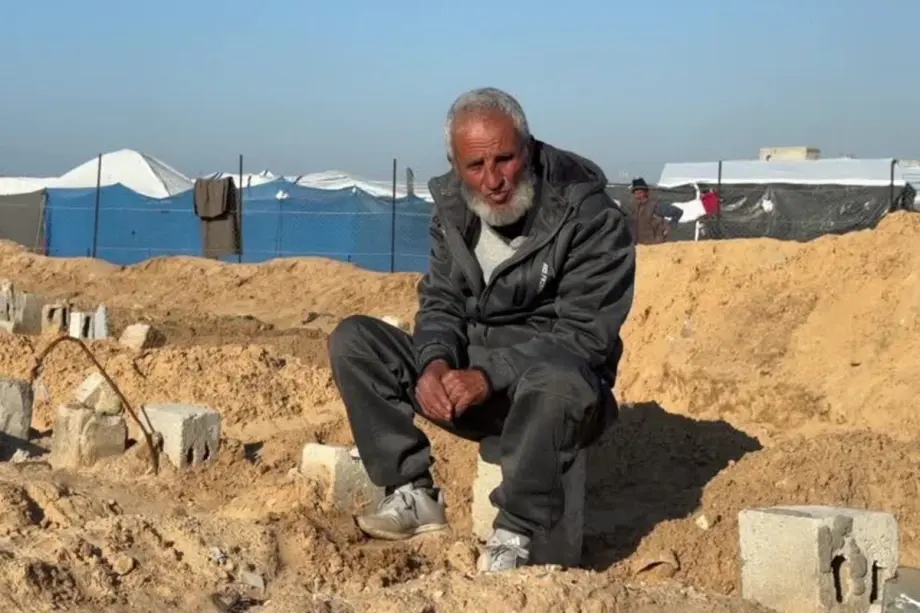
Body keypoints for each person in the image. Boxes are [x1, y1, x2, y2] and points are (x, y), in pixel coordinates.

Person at [327, 87, 636, 573]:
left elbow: (585, 337)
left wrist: (490, 374)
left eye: (505, 160)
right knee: (356, 341)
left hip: (557, 398)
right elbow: (443, 302)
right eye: (475, 167)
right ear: (456, 165)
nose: (493, 180)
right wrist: (433, 364)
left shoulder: (589, 215)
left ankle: (516, 535)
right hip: (473, 385)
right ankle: (412, 492)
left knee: (557, 378)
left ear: (527, 148)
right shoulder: (453, 210)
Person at [630, 177, 683, 243]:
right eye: (636, 193)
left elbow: (678, 212)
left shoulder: (656, 206)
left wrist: (670, 227)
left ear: (646, 192)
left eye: (640, 193)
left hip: (655, 245)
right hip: (640, 245)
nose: (638, 196)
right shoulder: (634, 207)